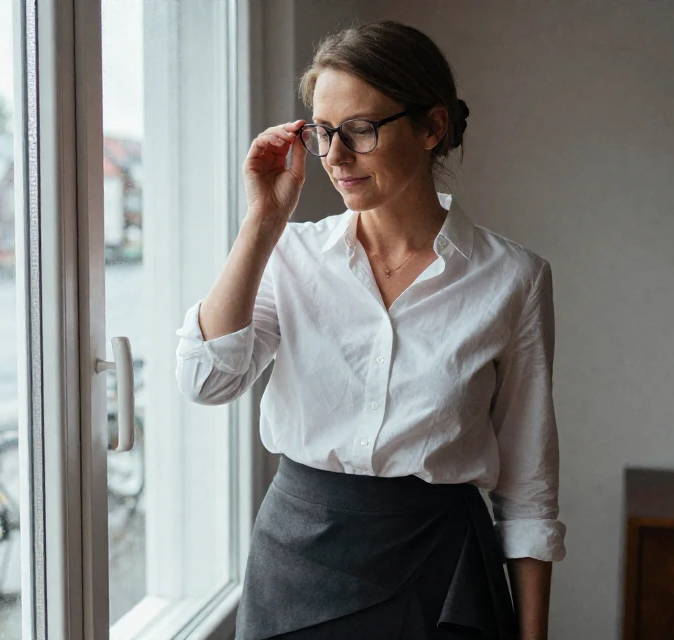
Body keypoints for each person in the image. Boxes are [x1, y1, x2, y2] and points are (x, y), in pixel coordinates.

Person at [175, 20, 565, 640]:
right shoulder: (289, 255)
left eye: (360, 129)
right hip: (295, 568)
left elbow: (528, 489)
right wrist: (262, 220)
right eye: (323, 132)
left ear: (432, 127)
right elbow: (205, 380)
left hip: (443, 573)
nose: (334, 156)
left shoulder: (513, 279)